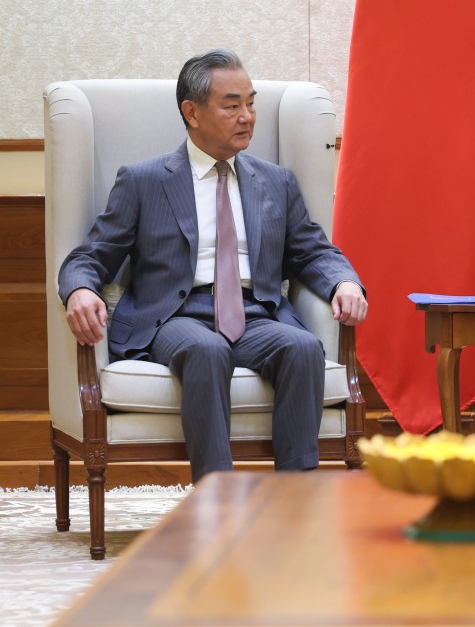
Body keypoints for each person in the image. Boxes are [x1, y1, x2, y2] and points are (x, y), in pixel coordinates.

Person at [59, 48, 367, 483]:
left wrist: (343, 283)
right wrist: (80, 289)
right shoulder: (144, 181)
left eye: (251, 104)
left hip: (256, 314)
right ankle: (216, 497)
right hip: (175, 317)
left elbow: (313, 251)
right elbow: (90, 256)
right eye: (231, 105)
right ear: (192, 112)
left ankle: (295, 498)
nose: (247, 117)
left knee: (301, 347)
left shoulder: (275, 181)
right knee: (208, 350)